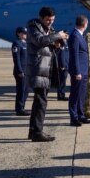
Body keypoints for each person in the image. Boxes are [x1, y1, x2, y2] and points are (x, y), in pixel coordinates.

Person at [26, 7, 68, 142]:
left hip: (45, 69)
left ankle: (34, 131)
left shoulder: (48, 29)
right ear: (41, 17)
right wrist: (57, 36)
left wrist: (57, 43)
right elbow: (39, 41)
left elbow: (45, 45)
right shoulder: (33, 27)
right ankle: (37, 132)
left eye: (52, 20)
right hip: (38, 69)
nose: (50, 22)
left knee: (39, 101)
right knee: (41, 102)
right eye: (48, 19)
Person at [68, 15, 90, 127]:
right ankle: (74, 118)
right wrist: (77, 72)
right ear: (85, 24)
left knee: (81, 95)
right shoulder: (75, 36)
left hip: (83, 71)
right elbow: (74, 56)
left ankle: (81, 115)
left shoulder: (79, 35)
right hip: (78, 72)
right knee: (75, 95)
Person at [12, 27, 29, 115]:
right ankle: (19, 109)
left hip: (27, 71)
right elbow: (16, 58)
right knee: (21, 90)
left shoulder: (26, 43)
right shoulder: (17, 43)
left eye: (25, 33)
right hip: (21, 71)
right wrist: (19, 71)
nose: (25, 35)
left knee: (26, 90)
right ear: (18, 33)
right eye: (23, 33)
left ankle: (23, 107)